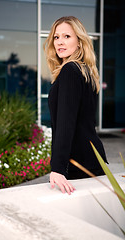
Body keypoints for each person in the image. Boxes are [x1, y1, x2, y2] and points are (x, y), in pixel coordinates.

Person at [44, 16, 108, 195]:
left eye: (67, 36)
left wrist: (57, 168)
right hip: (90, 159)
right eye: (56, 37)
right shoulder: (84, 70)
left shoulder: (70, 71)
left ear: (79, 42)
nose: (60, 42)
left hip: (78, 163)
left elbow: (66, 123)